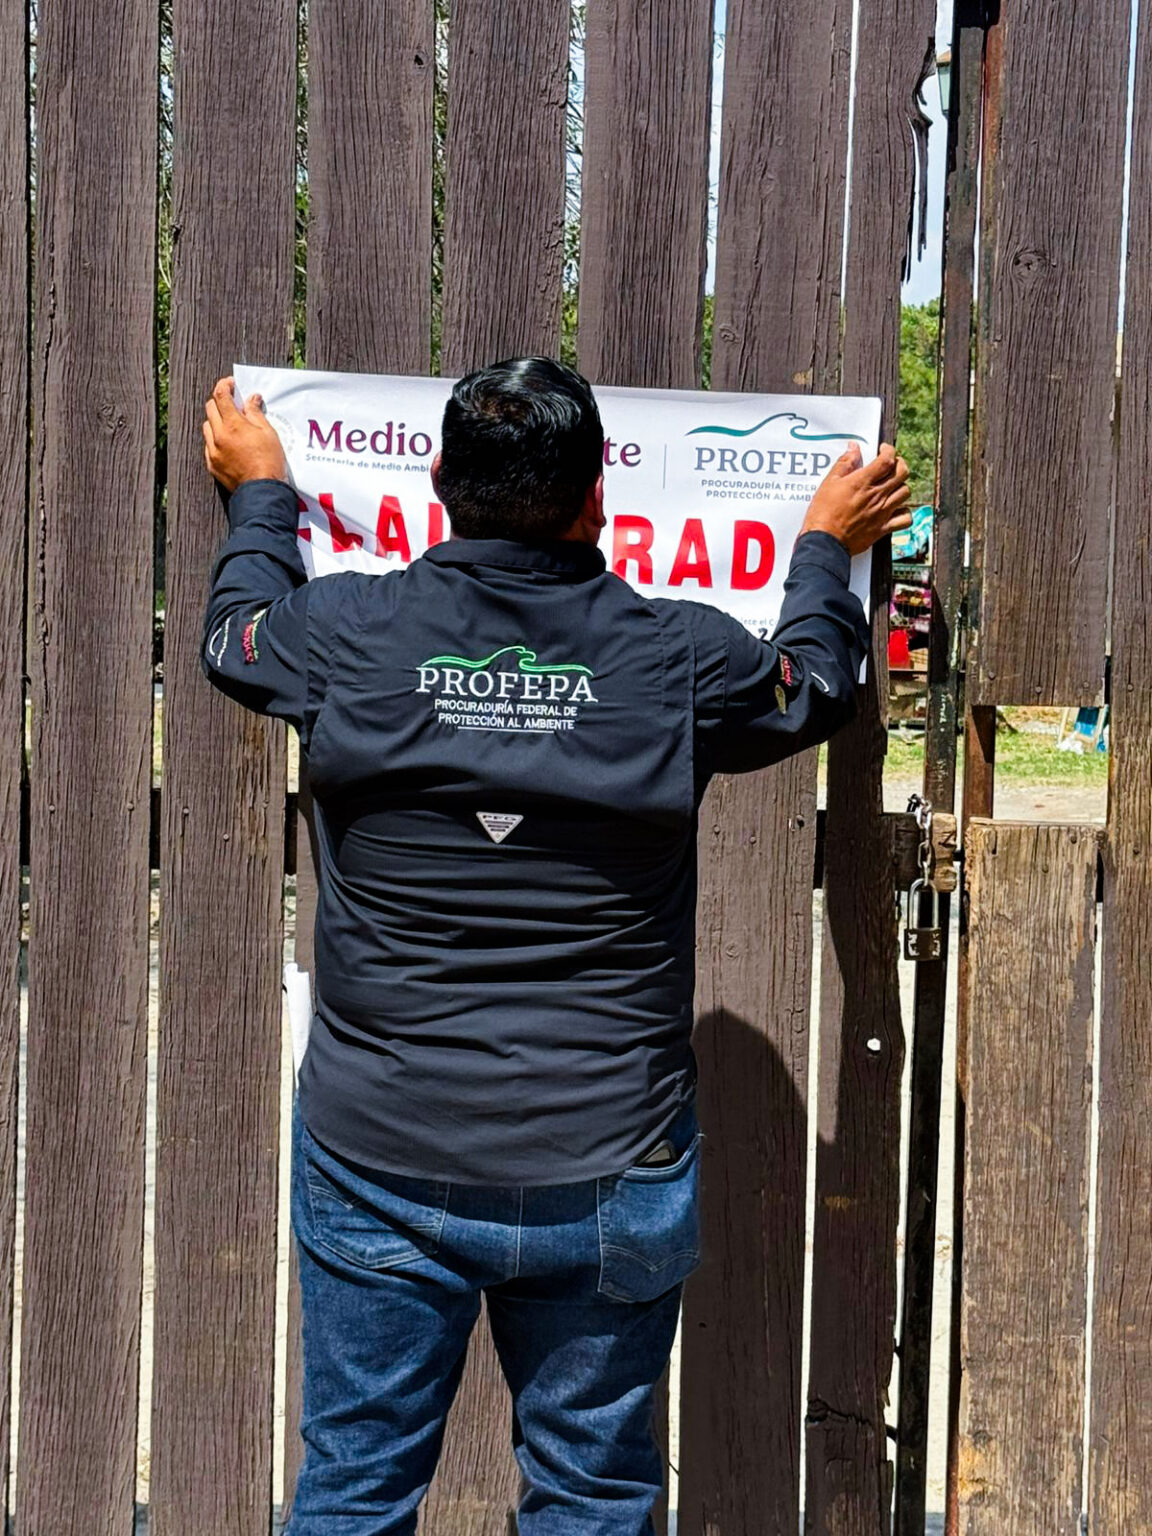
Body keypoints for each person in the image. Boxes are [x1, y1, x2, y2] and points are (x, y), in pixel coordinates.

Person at [200, 357, 910, 1536]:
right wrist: (824, 548)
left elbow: (234, 636)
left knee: (354, 1491)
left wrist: (264, 493)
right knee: (590, 1495)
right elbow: (816, 683)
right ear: (597, 502)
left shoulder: (343, 636)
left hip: (380, 1159)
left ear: (437, 486)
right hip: (607, 1166)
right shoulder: (679, 657)